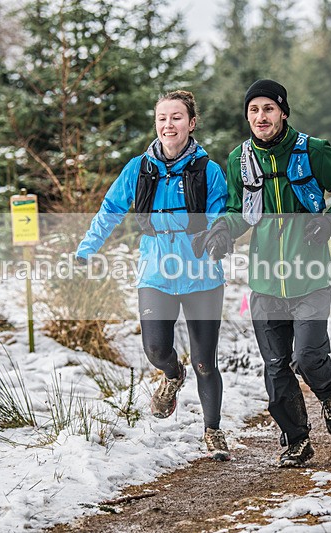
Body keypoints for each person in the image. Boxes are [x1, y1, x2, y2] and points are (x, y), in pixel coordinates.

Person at [193, 79, 331, 467]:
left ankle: (328, 391)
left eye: (268, 108)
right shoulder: (240, 159)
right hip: (265, 280)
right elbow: (239, 211)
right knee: (275, 366)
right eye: (253, 110)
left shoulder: (313, 151)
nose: (260, 116)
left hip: (311, 277)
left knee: (306, 356)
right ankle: (297, 440)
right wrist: (222, 233)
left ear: (283, 112)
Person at [76, 90, 230, 461]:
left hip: (201, 276)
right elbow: (111, 208)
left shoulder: (208, 170)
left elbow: (219, 214)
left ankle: (212, 431)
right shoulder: (138, 169)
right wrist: (87, 247)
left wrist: (214, 239)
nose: (168, 125)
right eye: (162, 118)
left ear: (191, 124)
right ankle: (171, 375)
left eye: (176, 117)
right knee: (155, 348)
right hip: (155, 272)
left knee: (206, 361)